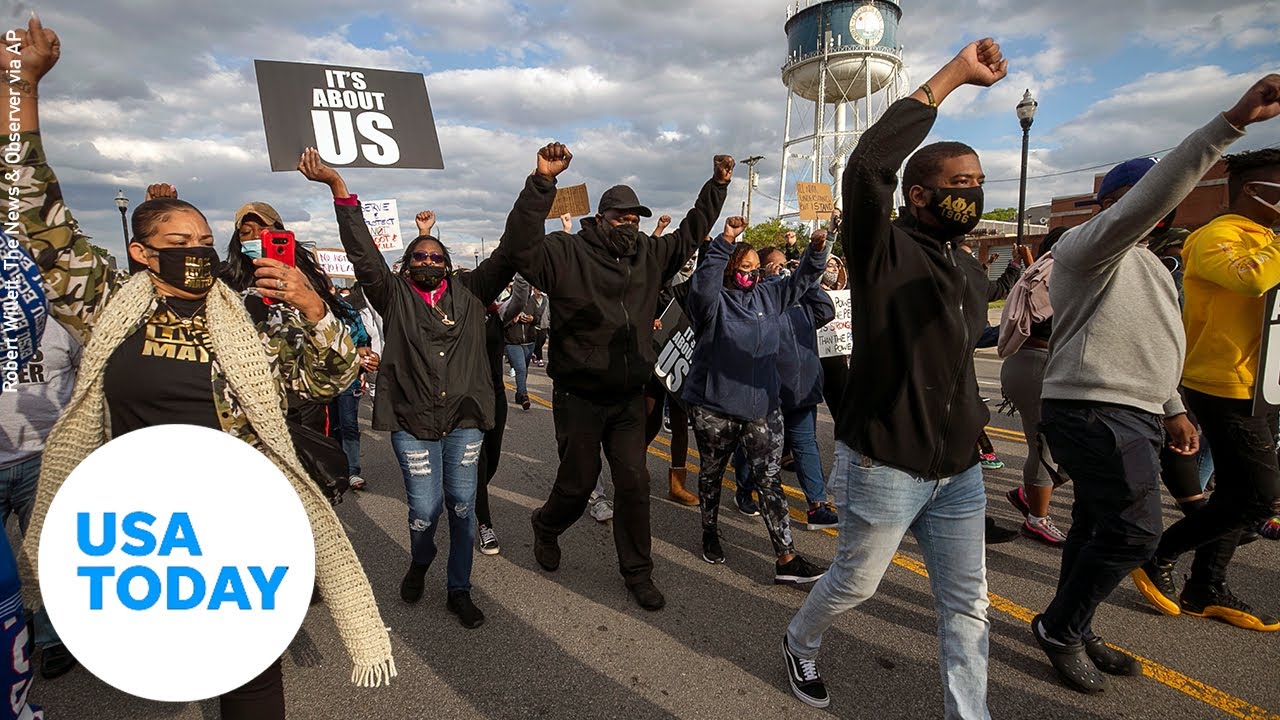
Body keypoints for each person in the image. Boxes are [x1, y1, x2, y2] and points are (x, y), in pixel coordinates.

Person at [4, 18, 395, 716]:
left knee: (250, 680)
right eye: (177, 242)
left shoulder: (242, 318)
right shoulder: (104, 305)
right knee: (165, 674)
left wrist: (310, 305)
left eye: (204, 240)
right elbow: (37, 213)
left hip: (236, 521)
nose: (197, 250)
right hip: (143, 530)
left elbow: (325, 380)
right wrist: (22, 88)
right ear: (142, 253)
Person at [1031, 74, 1279, 694]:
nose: (1162, 208)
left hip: (1137, 410)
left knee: (1093, 527)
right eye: (1151, 197)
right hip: (1092, 408)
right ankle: (1059, 628)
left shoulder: (1152, 263)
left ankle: (1073, 621)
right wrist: (1230, 123)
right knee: (1137, 531)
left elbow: (1157, 344)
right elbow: (1153, 194)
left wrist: (1173, 407)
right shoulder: (1088, 246)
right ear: (1124, 201)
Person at [782, 39, 1007, 715]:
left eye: (977, 183)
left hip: (959, 472)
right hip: (887, 465)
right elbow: (870, 163)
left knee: (968, 607)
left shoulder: (967, 268)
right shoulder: (883, 247)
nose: (971, 193)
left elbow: (954, 354)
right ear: (919, 193)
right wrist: (955, 77)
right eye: (959, 185)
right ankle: (800, 639)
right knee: (856, 582)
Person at [299, 143, 563, 628]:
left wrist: (541, 183)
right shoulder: (392, 295)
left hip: (464, 421)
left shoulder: (472, 291)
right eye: (418, 255)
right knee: (424, 509)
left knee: (463, 506)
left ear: (447, 263)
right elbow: (363, 254)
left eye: (434, 255)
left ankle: (458, 588)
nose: (427, 259)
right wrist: (339, 189)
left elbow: (511, 247)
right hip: (412, 421)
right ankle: (421, 560)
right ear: (405, 265)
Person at [510, 152, 734, 611]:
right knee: (577, 484)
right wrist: (541, 182)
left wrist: (717, 185)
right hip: (580, 396)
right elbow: (521, 246)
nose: (628, 224)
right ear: (600, 218)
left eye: (635, 217)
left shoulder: (649, 254)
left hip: (630, 395)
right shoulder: (565, 252)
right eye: (620, 217)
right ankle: (547, 526)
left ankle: (638, 572)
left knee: (633, 483)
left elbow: (691, 232)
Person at [1130, 147, 1280, 632]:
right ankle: (1161, 554)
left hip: (1264, 382)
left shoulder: (1265, 239)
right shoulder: (1216, 236)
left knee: (1238, 493)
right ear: (1259, 192)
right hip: (1224, 384)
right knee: (1259, 496)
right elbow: (1252, 278)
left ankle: (1206, 586)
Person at [683, 225, 830, 586]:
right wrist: (723, 244)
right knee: (712, 475)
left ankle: (786, 557)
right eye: (742, 268)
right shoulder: (713, 301)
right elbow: (702, 286)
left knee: (770, 481)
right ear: (730, 269)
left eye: (754, 268)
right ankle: (710, 531)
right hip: (714, 407)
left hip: (763, 407)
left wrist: (816, 249)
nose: (749, 274)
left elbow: (803, 280)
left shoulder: (770, 295)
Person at [732, 245, 839, 530]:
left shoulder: (801, 295)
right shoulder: (761, 297)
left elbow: (827, 311)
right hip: (769, 390)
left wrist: (806, 282)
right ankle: (743, 489)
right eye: (775, 266)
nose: (783, 270)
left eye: (785, 265)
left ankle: (817, 506)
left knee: (805, 445)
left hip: (803, 388)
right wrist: (770, 282)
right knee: (754, 446)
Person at [998, 227, 1070, 546]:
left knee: (1073, 448)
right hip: (1037, 364)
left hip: (1033, 364)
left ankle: (1031, 494)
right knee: (1046, 449)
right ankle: (1036, 519)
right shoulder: (1053, 274)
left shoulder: (1040, 270)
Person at [500, 275, 541, 411]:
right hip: (513, 343)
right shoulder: (506, 302)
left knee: (524, 370)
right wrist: (513, 320)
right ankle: (524, 395)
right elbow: (501, 324)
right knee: (521, 369)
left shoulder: (532, 302)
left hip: (529, 342)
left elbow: (538, 319)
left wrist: (531, 319)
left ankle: (519, 393)